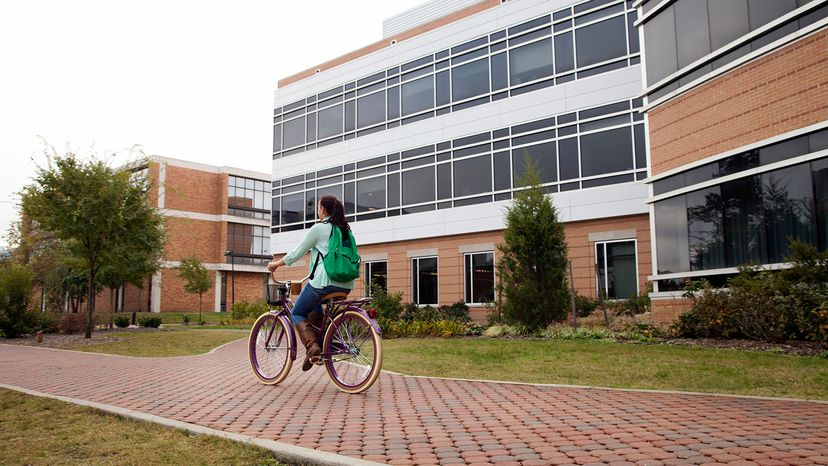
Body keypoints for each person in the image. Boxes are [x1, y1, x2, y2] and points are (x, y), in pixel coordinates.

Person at [267, 195, 354, 371]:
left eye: (318, 207)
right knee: (314, 308)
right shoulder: (345, 230)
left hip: (324, 282)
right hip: (345, 284)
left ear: (322, 209)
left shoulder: (320, 228)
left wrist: (276, 264)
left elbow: (297, 252)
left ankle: (312, 348)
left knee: (298, 312)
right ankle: (318, 347)